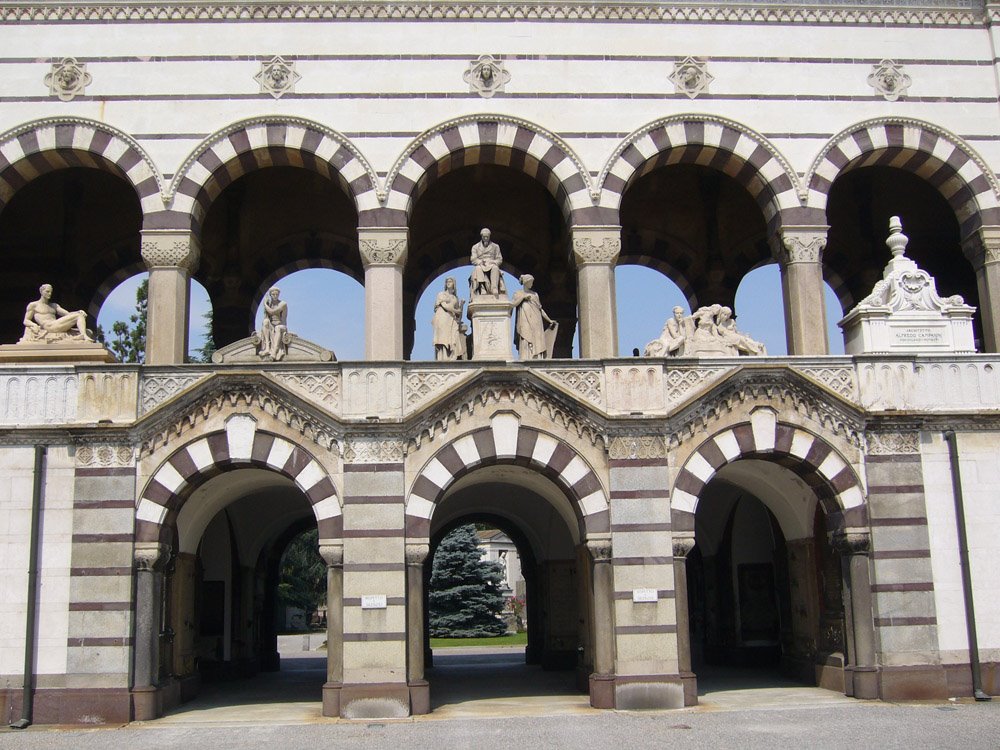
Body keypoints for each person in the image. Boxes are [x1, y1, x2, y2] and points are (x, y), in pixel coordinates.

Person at [21, 283, 91, 342]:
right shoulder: (33, 305)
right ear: (41, 292)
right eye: (47, 291)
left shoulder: (54, 305)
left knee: (80, 317)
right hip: (48, 326)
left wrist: (78, 311)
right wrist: (33, 325)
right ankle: (84, 335)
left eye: (51, 292)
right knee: (78, 316)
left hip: (57, 325)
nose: (50, 294)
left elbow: (68, 314)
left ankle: (83, 335)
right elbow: (26, 320)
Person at [512, 274, 555, 359]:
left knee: (537, 339)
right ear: (525, 282)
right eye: (530, 282)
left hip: (536, 320)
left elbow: (540, 309)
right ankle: (525, 357)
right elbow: (513, 304)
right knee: (525, 336)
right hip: (524, 319)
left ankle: (537, 358)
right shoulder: (518, 293)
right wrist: (523, 298)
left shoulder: (535, 294)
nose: (532, 284)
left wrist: (549, 320)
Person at [432, 277, 465, 361]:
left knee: (454, 336)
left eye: (450, 281)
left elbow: (459, 315)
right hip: (442, 317)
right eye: (447, 282)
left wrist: (461, 306)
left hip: (451, 319)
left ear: (454, 284)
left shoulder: (455, 298)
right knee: (443, 338)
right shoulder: (441, 294)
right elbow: (445, 306)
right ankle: (443, 357)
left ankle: (452, 356)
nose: (448, 283)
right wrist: (456, 311)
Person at [470, 228, 505, 296]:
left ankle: (494, 288)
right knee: (478, 269)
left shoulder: (495, 246)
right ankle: (482, 288)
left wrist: (494, 262)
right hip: (481, 264)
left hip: (492, 264)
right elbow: (473, 259)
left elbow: (499, 259)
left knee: (495, 268)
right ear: (481, 236)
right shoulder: (475, 247)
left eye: (487, 237)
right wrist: (480, 262)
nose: (486, 238)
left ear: (489, 236)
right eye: (484, 237)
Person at [258, 287, 289, 361]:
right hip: (272, 325)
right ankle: (267, 348)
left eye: (276, 294)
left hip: (282, 326)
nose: (275, 296)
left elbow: (273, 312)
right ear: (270, 295)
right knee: (265, 321)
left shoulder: (283, 304)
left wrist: (265, 304)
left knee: (278, 328)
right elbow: (266, 317)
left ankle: (274, 352)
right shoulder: (270, 303)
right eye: (273, 294)